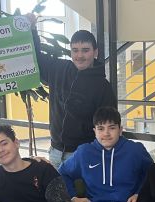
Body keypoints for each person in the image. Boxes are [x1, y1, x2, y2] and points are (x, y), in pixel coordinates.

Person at [30, 17, 116, 168]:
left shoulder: (103, 87)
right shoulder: (59, 69)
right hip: (55, 152)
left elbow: (109, 124)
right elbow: (36, 59)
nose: (79, 56)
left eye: (85, 50)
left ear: (95, 52)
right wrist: (32, 29)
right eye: (75, 50)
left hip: (83, 155)